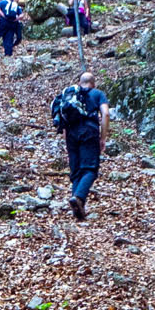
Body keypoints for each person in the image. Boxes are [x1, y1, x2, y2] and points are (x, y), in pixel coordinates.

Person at [51, 69, 109, 220]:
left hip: (70, 133)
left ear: (79, 83)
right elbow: (106, 114)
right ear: (93, 83)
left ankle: (77, 206)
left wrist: (67, 141)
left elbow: (64, 119)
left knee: (76, 171)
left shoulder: (70, 95)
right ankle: (79, 197)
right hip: (89, 132)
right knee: (90, 169)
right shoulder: (97, 94)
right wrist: (102, 138)